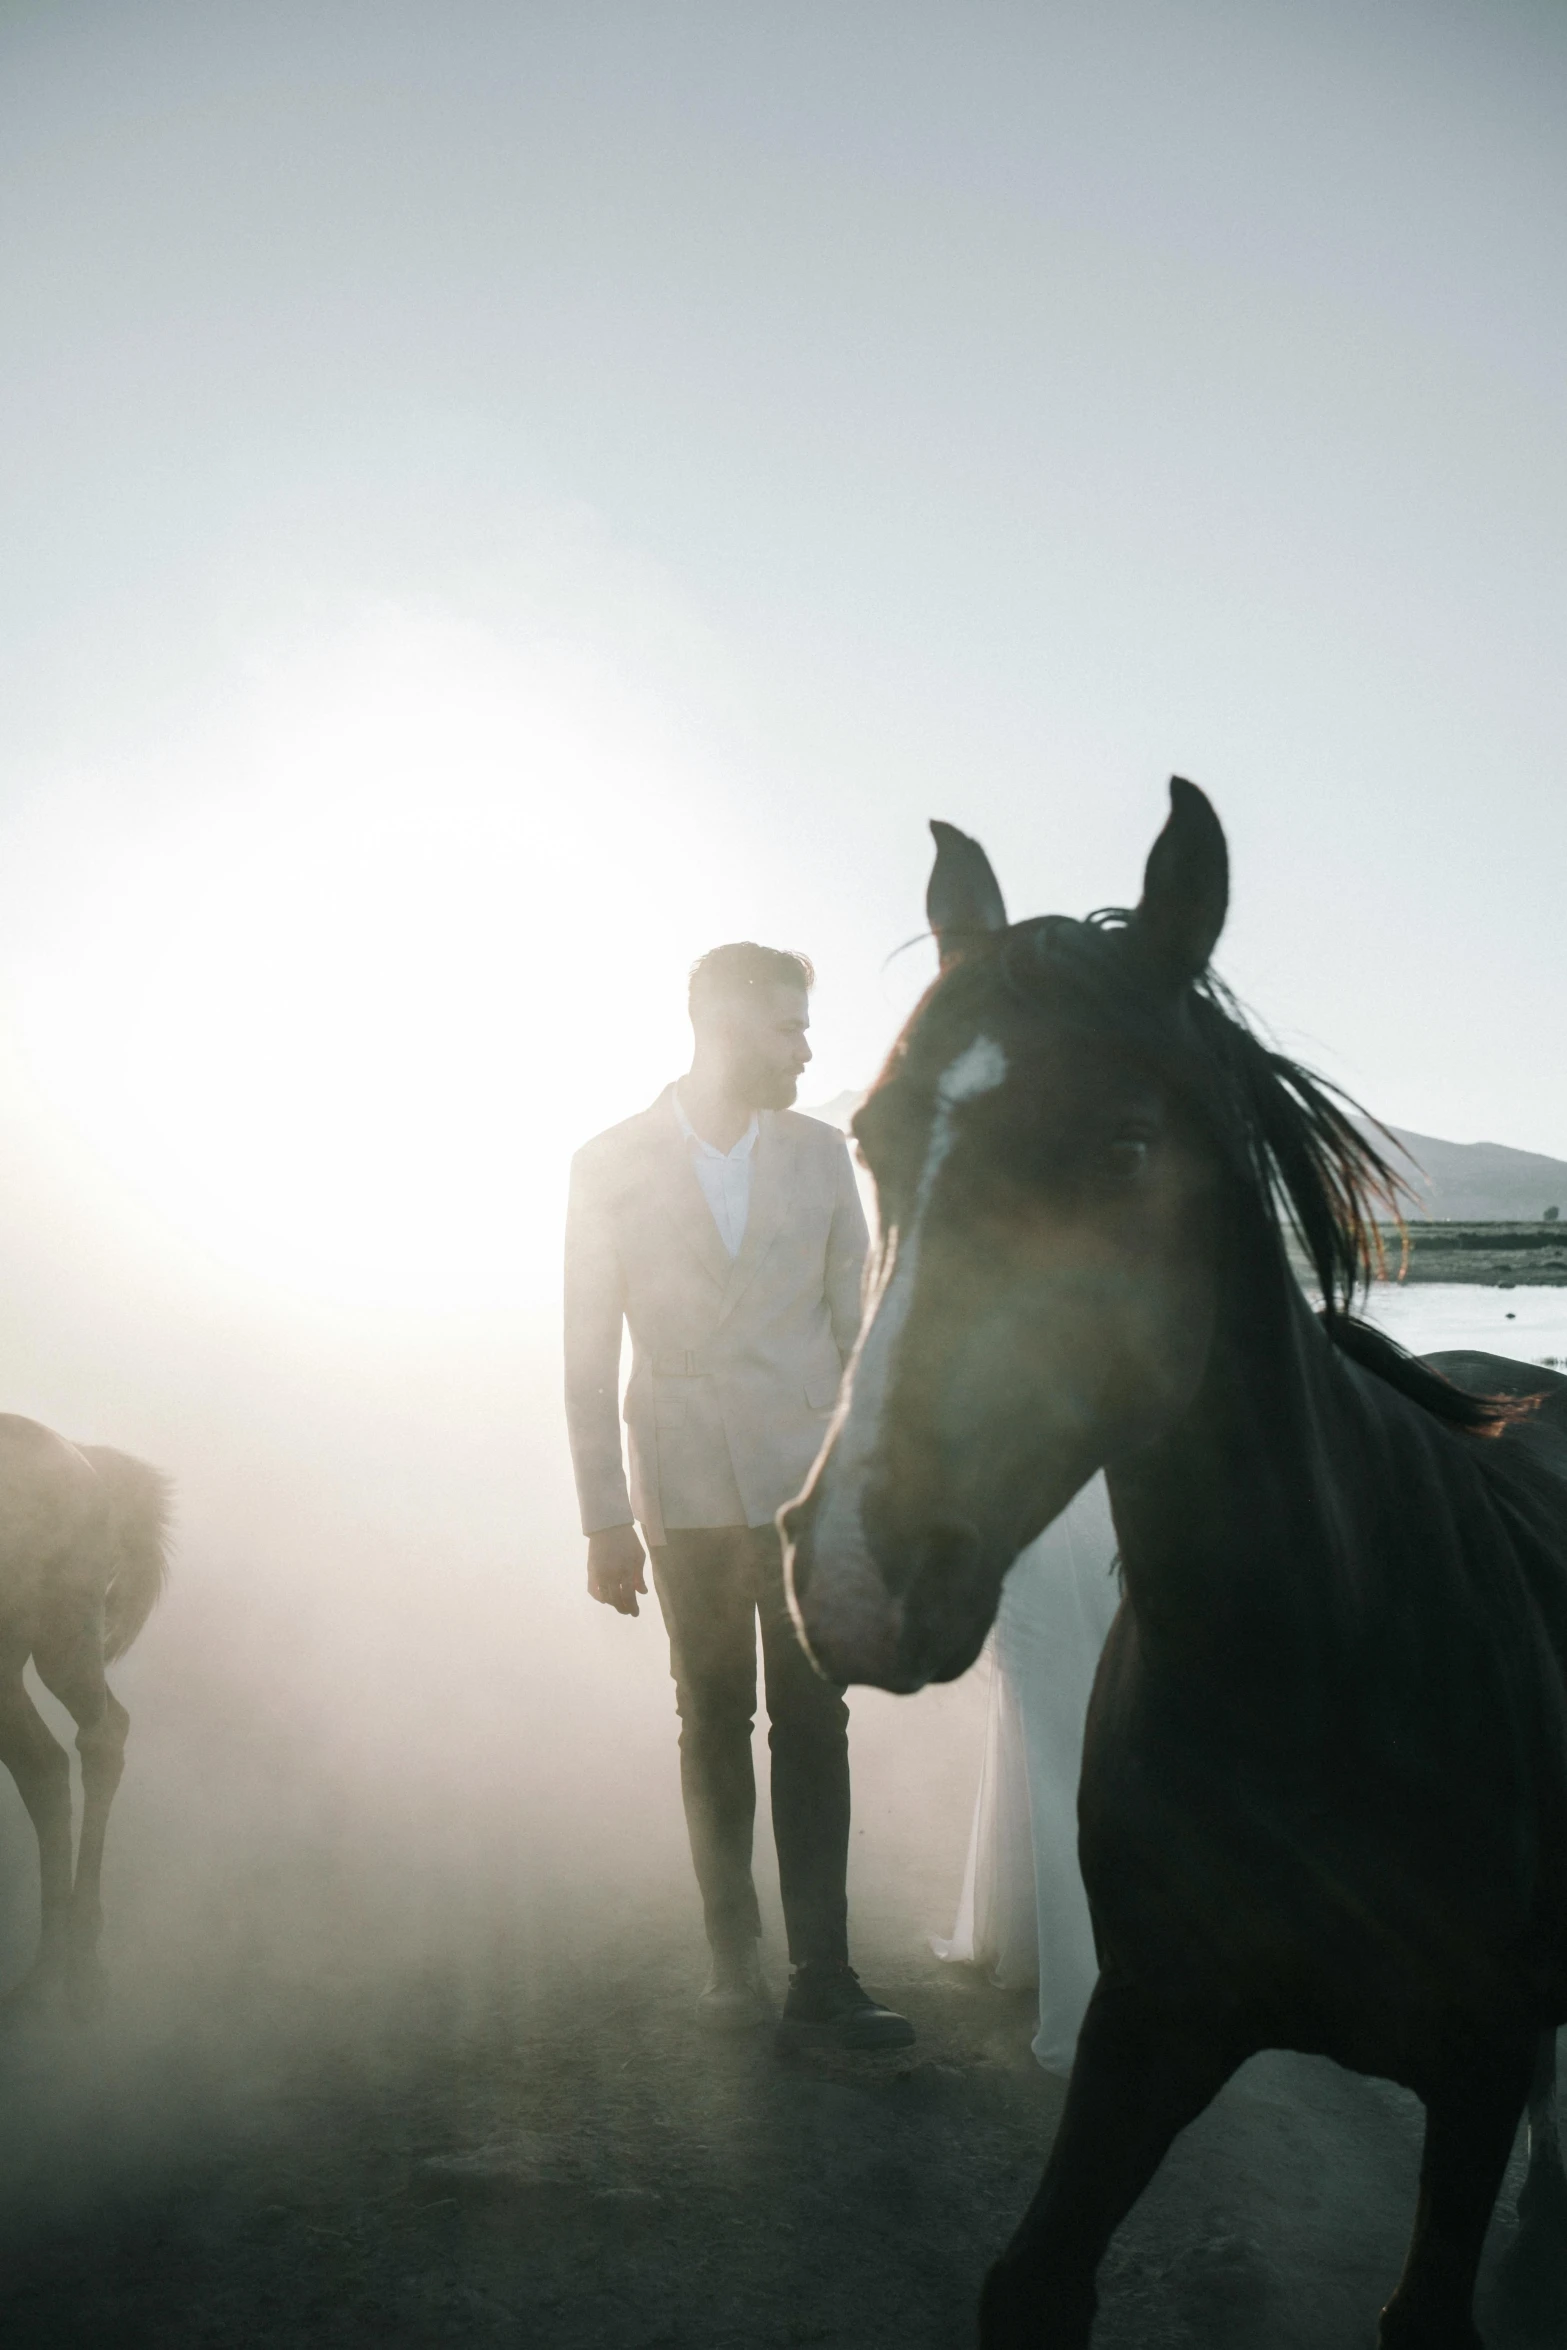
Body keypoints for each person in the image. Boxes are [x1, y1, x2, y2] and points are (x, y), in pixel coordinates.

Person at [563, 942, 914, 2050]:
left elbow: (859, 1333)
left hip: (807, 1487)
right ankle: (731, 1968)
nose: (807, 1047)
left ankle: (824, 1971)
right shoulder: (607, 1160)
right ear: (718, 1025)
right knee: (711, 1716)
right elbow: (584, 1349)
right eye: (786, 1027)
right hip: (682, 1485)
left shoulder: (822, 1157)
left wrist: (869, 1490)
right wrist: (603, 1515)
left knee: (817, 1720)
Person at [935, 1476, 1120, 2075]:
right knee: (1057, 1735)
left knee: (1055, 1742)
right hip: (1083, 1496)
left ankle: (1075, 1970)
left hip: (1071, 1496)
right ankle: (1068, 1958)